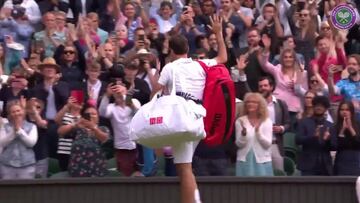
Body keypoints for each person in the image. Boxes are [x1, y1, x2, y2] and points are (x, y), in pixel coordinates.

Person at [152, 15, 227, 203]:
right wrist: (218, 34)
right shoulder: (201, 64)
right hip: (199, 119)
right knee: (183, 167)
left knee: (184, 169)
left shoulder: (169, 67)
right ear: (187, 49)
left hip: (182, 120)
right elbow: (223, 57)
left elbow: (155, 92)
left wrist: (155, 72)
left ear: (171, 51)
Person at [296, 96, 336, 176]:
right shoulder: (304, 122)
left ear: (326, 108)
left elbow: (334, 146)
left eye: (321, 106)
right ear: (313, 106)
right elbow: (298, 140)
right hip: (308, 164)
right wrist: (313, 137)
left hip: (325, 165)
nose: (319, 107)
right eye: (316, 105)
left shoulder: (330, 125)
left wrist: (327, 139)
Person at [235, 92, 273, 176]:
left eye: (253, 102)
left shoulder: (266, 121)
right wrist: (243, 135)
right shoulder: (240, 121)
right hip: (244, 160)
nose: (250, 104)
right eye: (248, 102)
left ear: (260, 105)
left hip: (262, 161)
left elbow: (267, 144)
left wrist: (258, 133)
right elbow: (239, 144)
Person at [0, 100, 38, 179]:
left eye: (18, 110)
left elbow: (31, 143)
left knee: (26, 190)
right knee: (8, 190)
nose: (16, 113)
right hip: (7, 165)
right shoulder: (5, 126)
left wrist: (19, 131)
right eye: (13, 112)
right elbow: (2, 142)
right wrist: (14, 131)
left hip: (27, 165)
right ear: (10, 114)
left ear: (23, 111)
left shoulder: (32, 126)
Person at [334, 101, 360, 175]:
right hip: (341, 161)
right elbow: (336, 146)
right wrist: (342, 130)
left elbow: (358, 144)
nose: (344, 112)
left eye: (347, 110)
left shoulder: (358, 125)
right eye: (342, 110)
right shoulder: (335, 127)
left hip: (356, 161)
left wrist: (351, 128)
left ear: (351, 112)